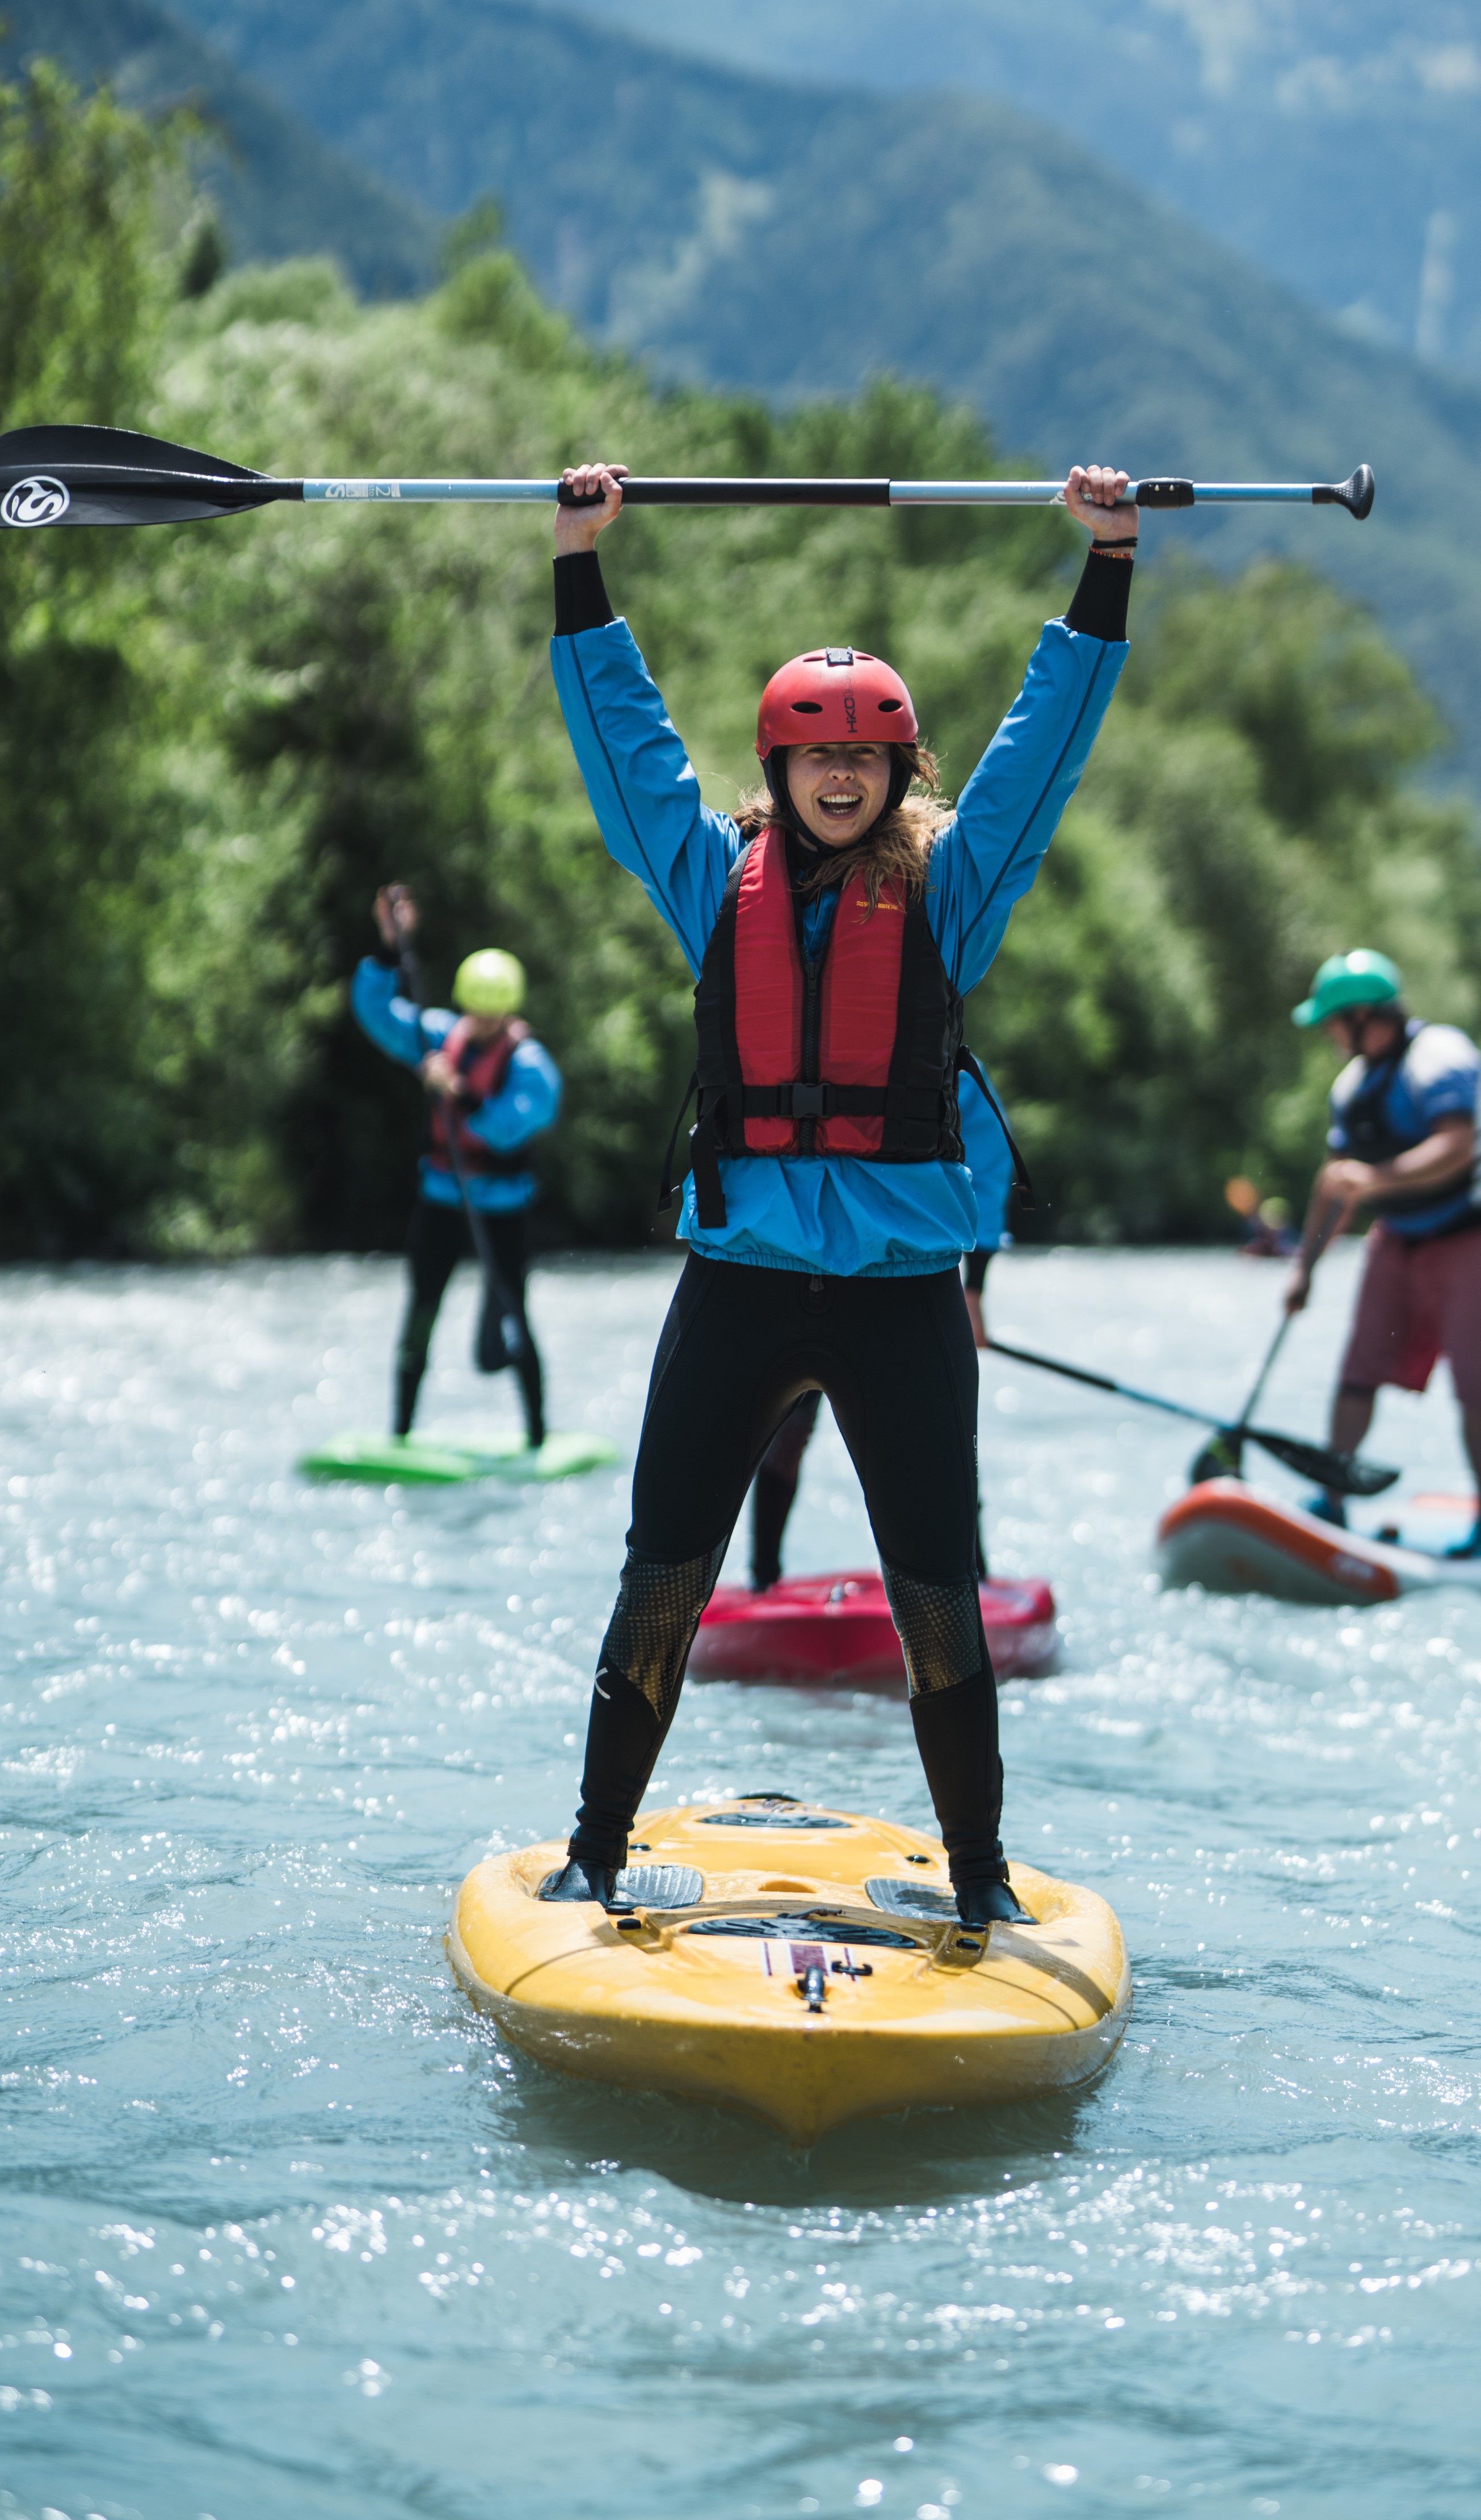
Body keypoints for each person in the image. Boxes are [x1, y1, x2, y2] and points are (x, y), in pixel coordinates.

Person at [543, 456, 1135, 1922]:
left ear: (898, 771)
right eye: (817, 754)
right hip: (737, 1282)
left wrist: (1105, 565)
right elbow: (626, 754)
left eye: (866, 755)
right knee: (661, 1580)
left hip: (898, 1302)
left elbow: (1041, 755)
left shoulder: (952, 891)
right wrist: (578, 566)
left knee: (936, 1597)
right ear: (780, 764)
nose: (840, 773)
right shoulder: (705, 880)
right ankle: (594, 1856)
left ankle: (981, 1884)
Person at [1282, 948, 1481, 1560]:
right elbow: (1334, 1185)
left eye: (1331, 1022)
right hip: (1399, 1240)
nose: (1327, 1035)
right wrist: (1303, 1270)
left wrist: (1374, 1178)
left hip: (1471, 1237)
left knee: (1474, 1387)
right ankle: (1332, 1500)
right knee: (1358, 1369)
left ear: (1361, 1017)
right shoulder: (1351, 1086)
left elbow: (1454, 1148)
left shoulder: (1441, 1058)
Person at [748, 1061, 1017, 1589]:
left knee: (940, 1438)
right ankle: (762, 1579)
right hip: (793, 1262)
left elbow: (986, 1162)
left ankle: (970, 1578)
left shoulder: (937, 1048)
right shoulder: (795, 1041)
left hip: (901, 1274)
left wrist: (973, 1287)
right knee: (784, 1428)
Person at [352, 898, 562, 1446]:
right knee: (421, 1308)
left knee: (511, 1320)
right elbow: (377, 1011)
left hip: (504, 1207)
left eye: (494, 1012)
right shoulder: (442, 1036)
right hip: (443, 1199)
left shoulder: (530, 1064)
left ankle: (537, 1435)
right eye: (477, 1009)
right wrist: (388, 946)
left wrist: (459, 1092)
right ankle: (401, 1431)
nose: (484, 1021)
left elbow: (512, 1125)